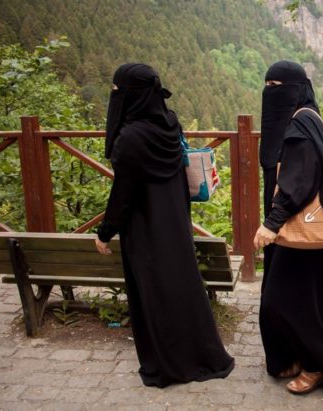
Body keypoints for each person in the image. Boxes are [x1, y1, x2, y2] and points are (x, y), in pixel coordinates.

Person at [94, 63, 234, 388]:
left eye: (118, 91)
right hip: (175, 223)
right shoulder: (170, 124)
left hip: (145, 230)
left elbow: (123, 195)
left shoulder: (130, 138)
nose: (114, 97)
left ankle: (169, 363)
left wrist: (105, 232)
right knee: (182, 289)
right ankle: (201, 353)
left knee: (154, 295)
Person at [253, 60, 323, 394]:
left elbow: (299, 180)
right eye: (267, 85)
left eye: (277, 86)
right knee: (312, 299)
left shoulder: (298, 127)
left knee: (286, 300)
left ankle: (319, 367)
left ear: (296, 89)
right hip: (310, 232)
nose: (271, 92)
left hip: (302, 231)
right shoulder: (306, 118)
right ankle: (305, 356)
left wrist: (271, 223)